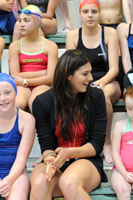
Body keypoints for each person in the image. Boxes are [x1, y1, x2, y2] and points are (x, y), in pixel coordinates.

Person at [30, 49, 108, 200]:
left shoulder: (96, 97)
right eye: (85, 74)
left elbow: (96, 145)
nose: (91, 78)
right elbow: (47, 145)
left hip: (86, 161)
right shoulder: (42, 102)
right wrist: (50, 159)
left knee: (69, 182)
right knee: (40, 181)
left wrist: (69, 153)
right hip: (58, 162)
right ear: (68, 75)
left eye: (90, 72)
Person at [66, 0, 121, 163]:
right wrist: (84, 84)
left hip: (108, 81)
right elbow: (71, 68)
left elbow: (114, 69)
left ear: (99, 13)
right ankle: (77, 141)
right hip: (81, 82)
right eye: (86, 12)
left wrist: (101, 82)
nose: (90, 15)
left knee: (102, 96)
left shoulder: (110, 33)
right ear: (80, 14)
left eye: (94, 12)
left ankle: (106, 142)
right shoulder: (73, 36)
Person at [9, 5, 58, 111]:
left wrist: (24, 81)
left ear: (37, 22)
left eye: (26, 20)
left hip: (42, 85)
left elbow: (51, 78)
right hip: (23, 86)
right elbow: (14, 77)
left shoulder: (51, 46)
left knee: (36, 102)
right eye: (20, 20)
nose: (21, 24)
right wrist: (42, 73)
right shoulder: (15, 46)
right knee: (17, 103)